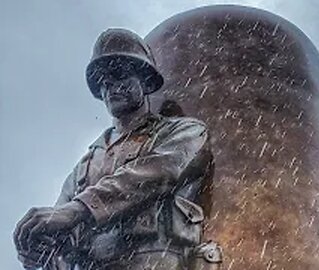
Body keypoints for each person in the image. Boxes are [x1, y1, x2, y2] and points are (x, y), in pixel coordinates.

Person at [13, 28, 213, 270]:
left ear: (145, 80)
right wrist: (43, 250)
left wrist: (79, 209)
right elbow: (61, 226)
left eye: (119, 73)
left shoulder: (185, 132)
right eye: (102, 80)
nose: (110, 85)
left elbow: (161, 171)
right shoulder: (86, 165)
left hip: (154, 261)